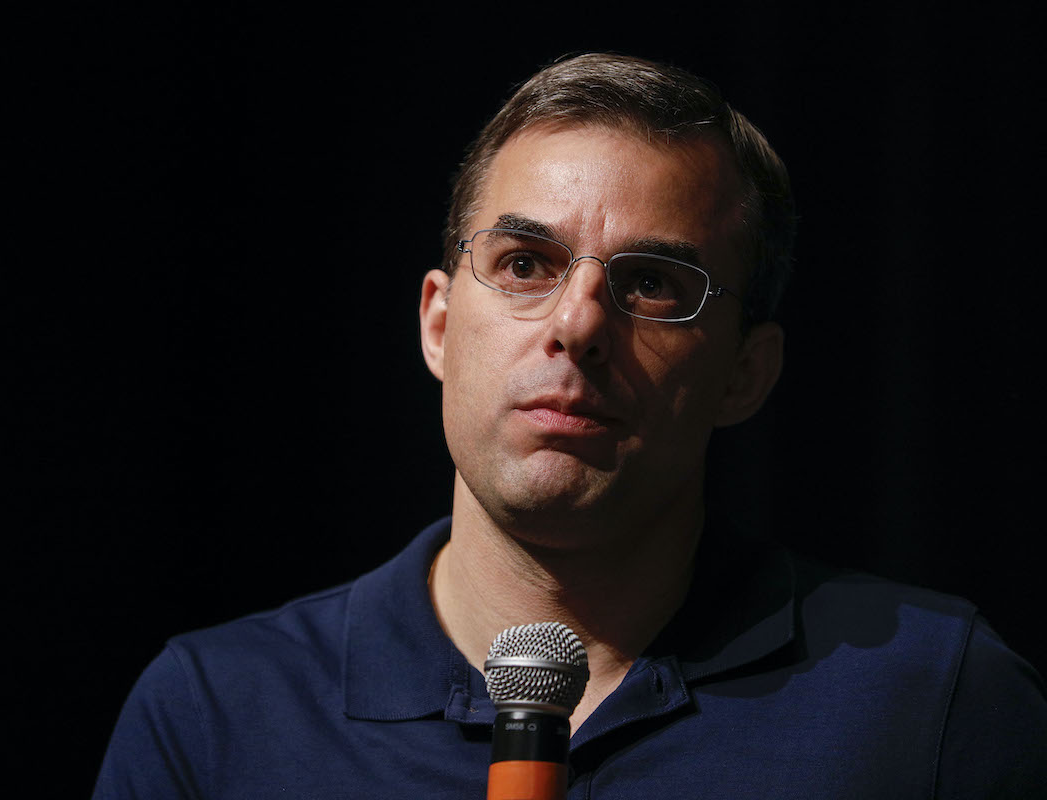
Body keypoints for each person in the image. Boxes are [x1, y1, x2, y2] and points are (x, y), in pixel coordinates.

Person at [92, 53, 1047, 798]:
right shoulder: (217, 714)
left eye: (650, 284)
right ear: (437, 324)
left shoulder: (931, 701)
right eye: (523, 264)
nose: (579, 324)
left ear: (745, 374)